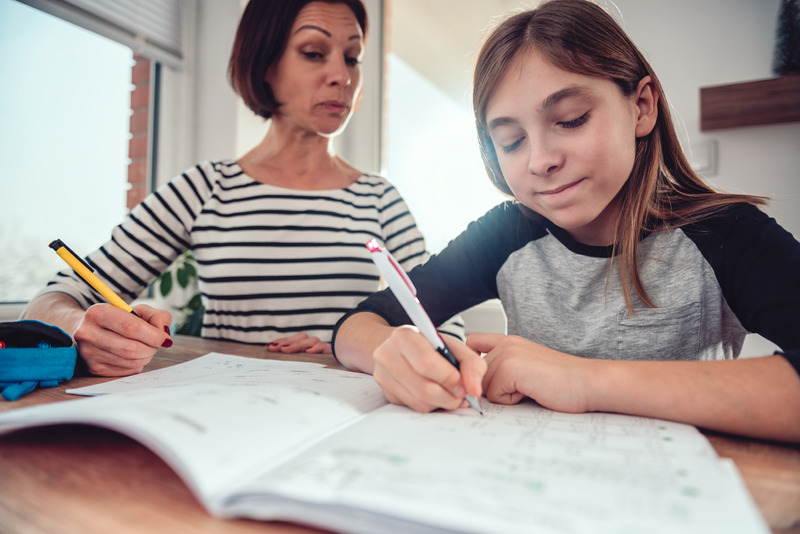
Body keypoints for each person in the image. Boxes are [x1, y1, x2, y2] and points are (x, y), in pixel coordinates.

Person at [332, 0, 800, 443]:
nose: (540, 160)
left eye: (571, 119)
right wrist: (388, 353)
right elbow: (359, 323)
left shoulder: (726, 234)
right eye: (512, 141)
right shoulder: (506, 233)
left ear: (641, 107)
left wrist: (581, 379)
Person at [22, 0, 462, 377]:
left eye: (352, 57)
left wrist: (358, 345)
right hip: (223, 414)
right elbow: (53, 299)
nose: (341, 76)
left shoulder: (379, 199)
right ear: (265, 64)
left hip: (345, 418)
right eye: (313, 52)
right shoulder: (204, 188)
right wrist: (82, 328)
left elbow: (446, 328)